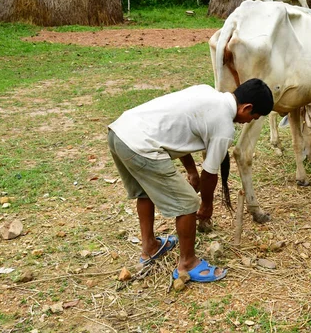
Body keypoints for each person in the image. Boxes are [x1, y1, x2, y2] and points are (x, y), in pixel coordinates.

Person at [107, 79, 274, 283]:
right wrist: (206, 205)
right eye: (252, 117)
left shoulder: (205, 91)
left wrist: (190, 171)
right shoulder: (224, 127)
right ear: (246, 107)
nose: (248, 122)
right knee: (188, 204)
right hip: (140, 146)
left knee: (145, 191)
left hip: (120, 132)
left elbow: (177, 132)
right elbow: (210, 172)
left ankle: (150, 246)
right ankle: (187, 263)